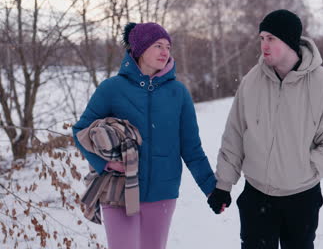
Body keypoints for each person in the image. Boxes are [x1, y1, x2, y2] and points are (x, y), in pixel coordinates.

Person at [207, 9, 323, 248]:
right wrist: (223, 185)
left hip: (301, 198)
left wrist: (307, 167)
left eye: (271, 38)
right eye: (262, 38)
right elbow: (234, 136)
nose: (264, 45)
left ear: (289, 41)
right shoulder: (251, 81)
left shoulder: (322, 85)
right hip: (256, 195)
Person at [73, 22, 216, 249]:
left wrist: (212, 188)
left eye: (168, 46)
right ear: (139, 49)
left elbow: (192, 149)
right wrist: (106, 164)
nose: (165, 52)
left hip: (162, 192)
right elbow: (79, 131)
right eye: (158, 45)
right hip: (118, 190)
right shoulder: (111, 88)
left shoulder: (178, 93)